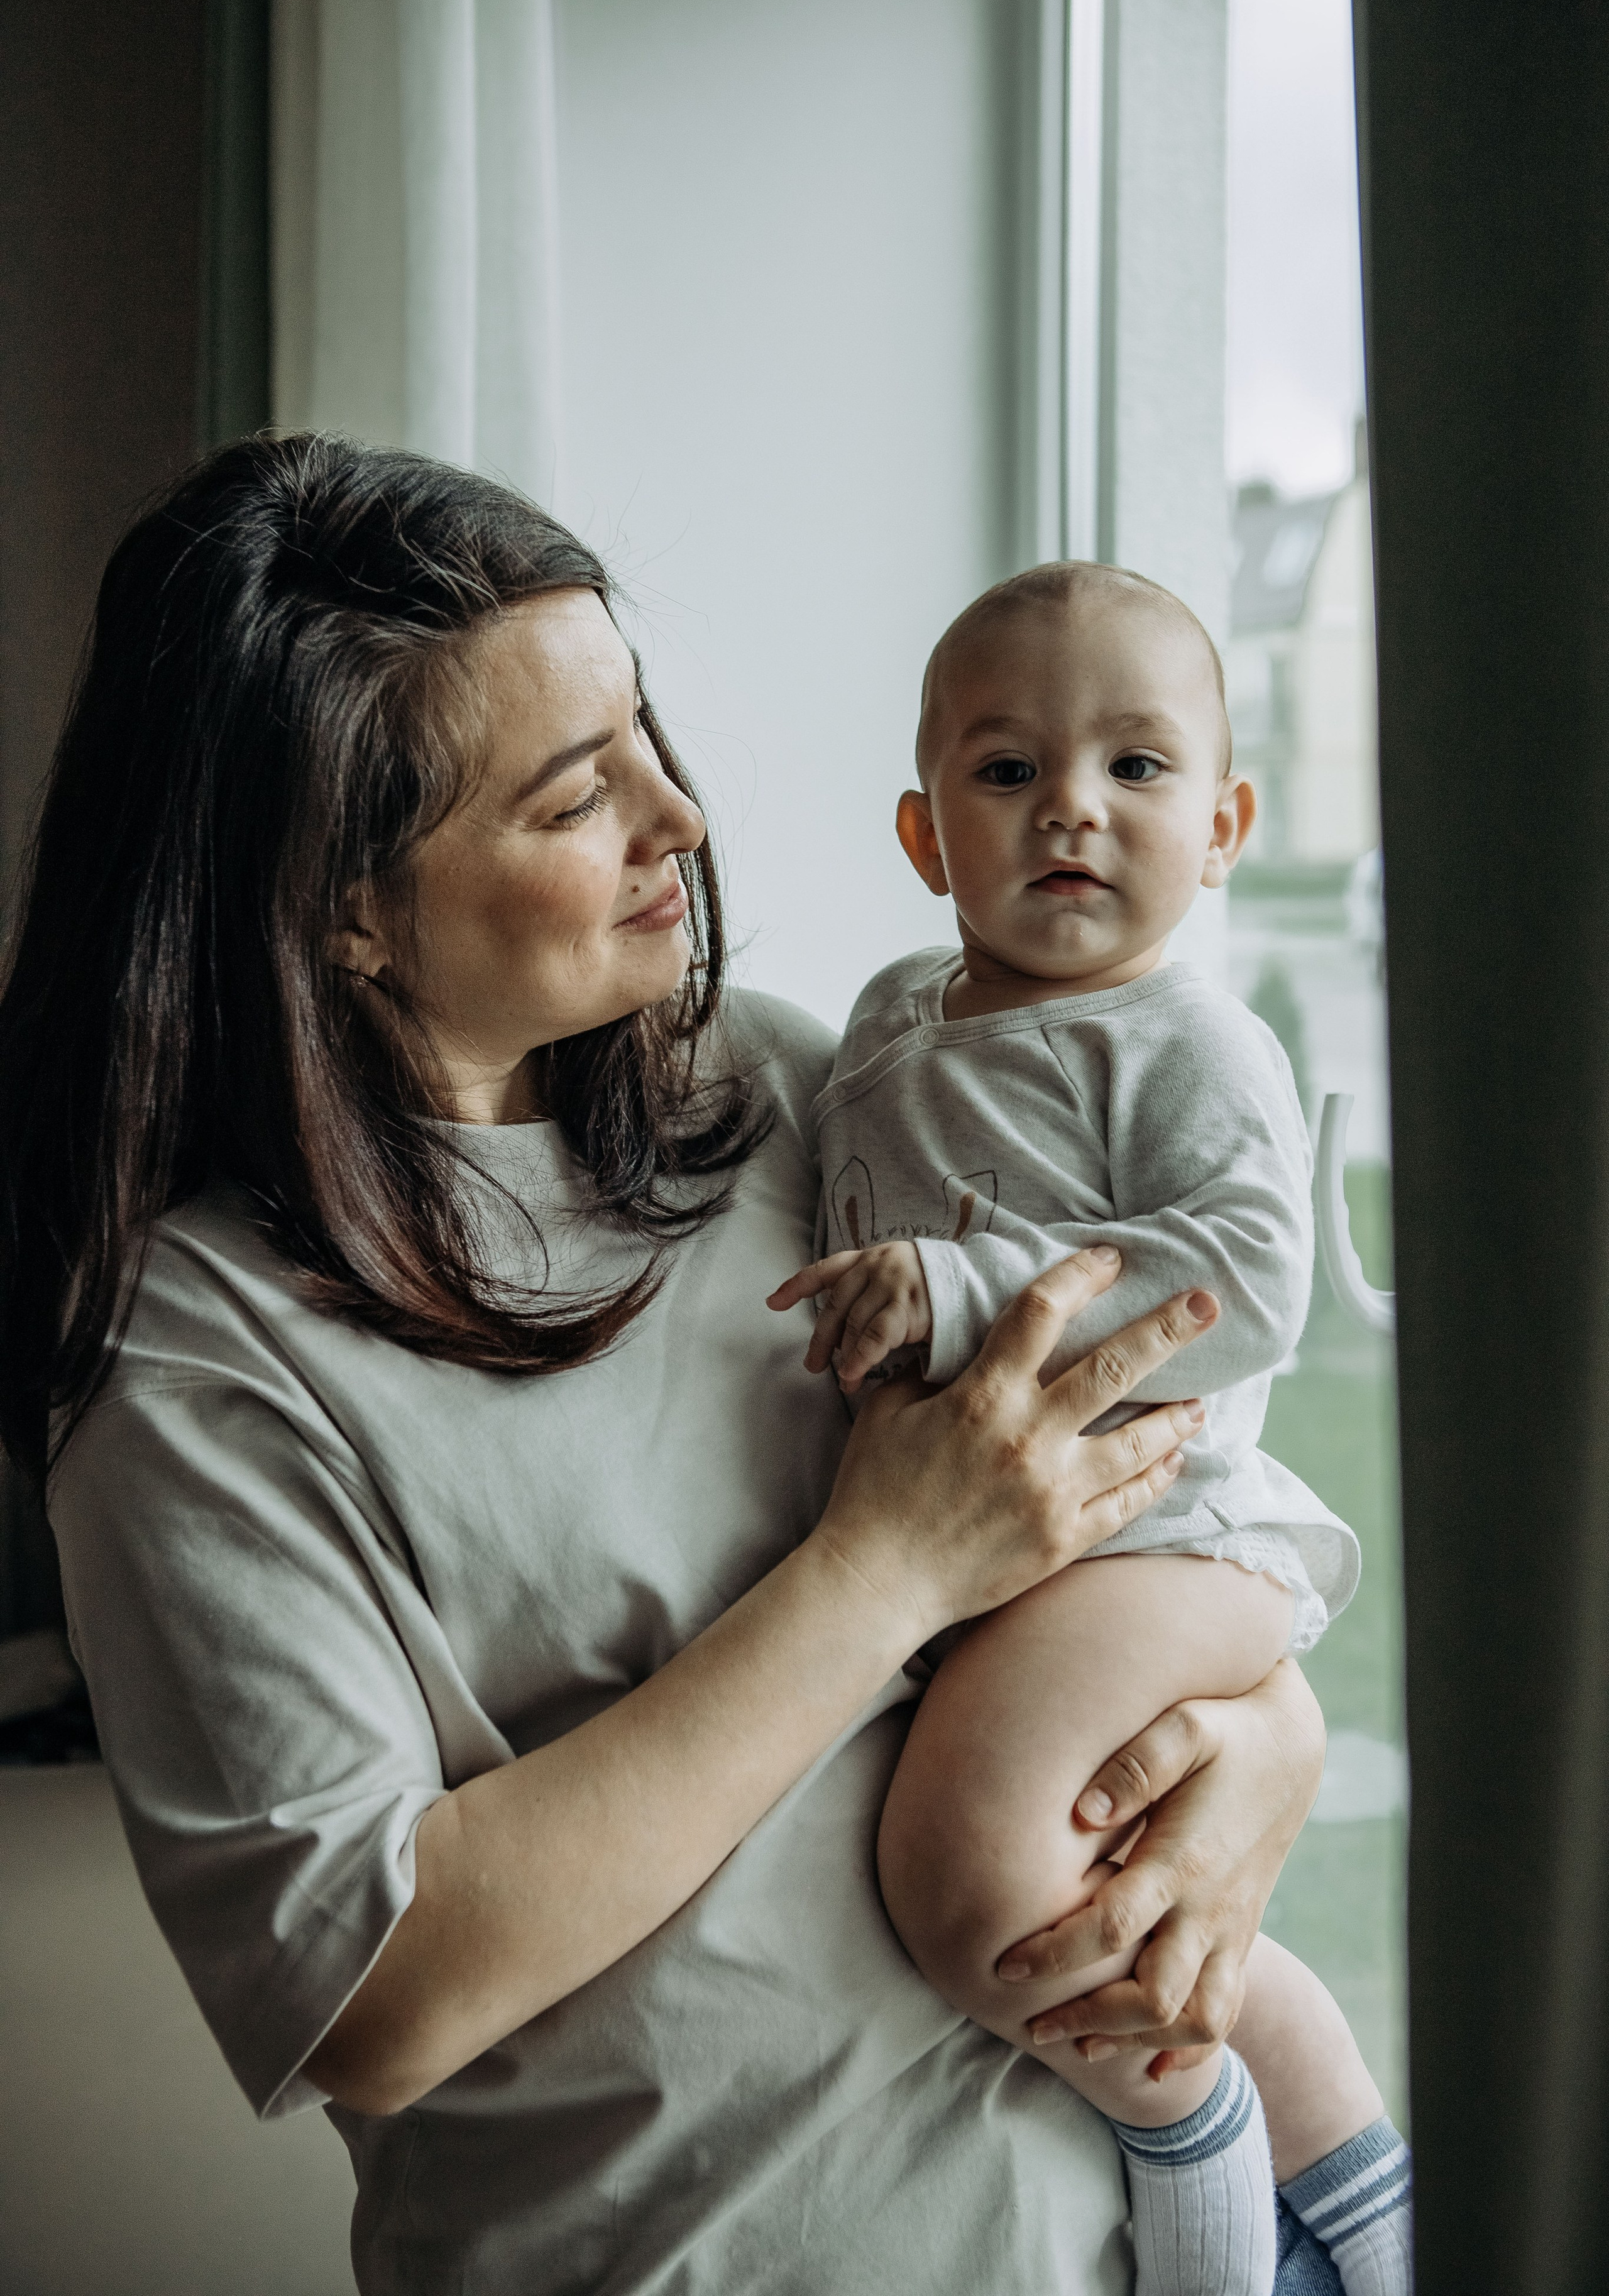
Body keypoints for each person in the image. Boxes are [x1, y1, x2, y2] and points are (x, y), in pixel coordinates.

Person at [0, 437, 1331, 2296]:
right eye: (573, 801)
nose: (680, 822)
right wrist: (879, 1573)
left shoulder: (800, 1093)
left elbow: (1143, 1472)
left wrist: (1264, 1735)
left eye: (646, 737)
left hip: (1109, 2238)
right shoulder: (195, 1364)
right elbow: (374, 1998)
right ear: (343, 909)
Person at [770, 561, 1412, 2296]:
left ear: (1225, 825)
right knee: (1139, 1900)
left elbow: (1252, 1278)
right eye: (1008, 773)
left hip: (1160, 1530)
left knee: (980, 1889)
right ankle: (1364, 2199)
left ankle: (1208, 2204)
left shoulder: (1187, 1037)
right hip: (1020, 1557)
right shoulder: (892, 1017)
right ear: (924, 836)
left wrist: (961, 1292)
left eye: (1137, 768)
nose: (1072, 808)